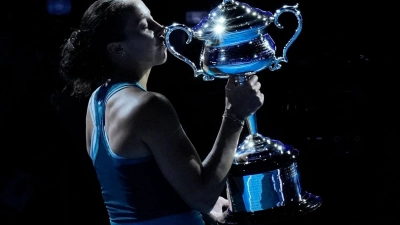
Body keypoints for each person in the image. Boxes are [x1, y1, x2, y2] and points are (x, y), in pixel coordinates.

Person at [58, 0, 264, 224]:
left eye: (153, 18)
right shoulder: (149, 106)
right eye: (145, 26)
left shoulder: (97, 100)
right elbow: (203, 196)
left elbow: (145, 188)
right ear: (117, 48)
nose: (162, 28)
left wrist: (207, 206)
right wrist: (235, 114)